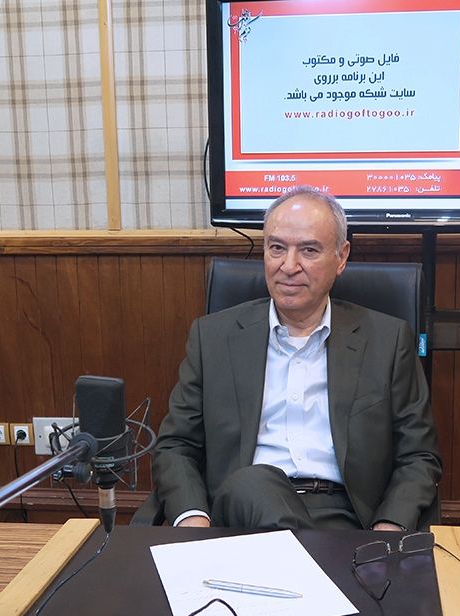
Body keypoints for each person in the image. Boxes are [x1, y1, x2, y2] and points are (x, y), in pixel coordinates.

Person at [149, 186, 441, 531]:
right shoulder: (213, 337)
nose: (288, 266)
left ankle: (300, 556)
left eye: (308, 250)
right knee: (254, 483)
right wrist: (193, 518)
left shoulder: (387, 341)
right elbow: (176, 445)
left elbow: (418, 455)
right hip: (240, 517)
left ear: (341, 257)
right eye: (276, 248)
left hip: (346, 519)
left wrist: (388, 528)